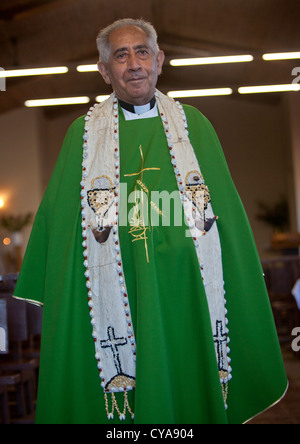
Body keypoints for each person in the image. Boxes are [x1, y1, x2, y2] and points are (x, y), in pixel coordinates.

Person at [14, 18, 288, 424]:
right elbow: (63, 226)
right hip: (115, 291)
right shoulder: (83, 135)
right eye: (120, 55)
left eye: (142, 52)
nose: (134, 63)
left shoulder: (194, 126)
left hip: (187, 288)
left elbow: (224, 214)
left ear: (159, 60)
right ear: (104, 70)